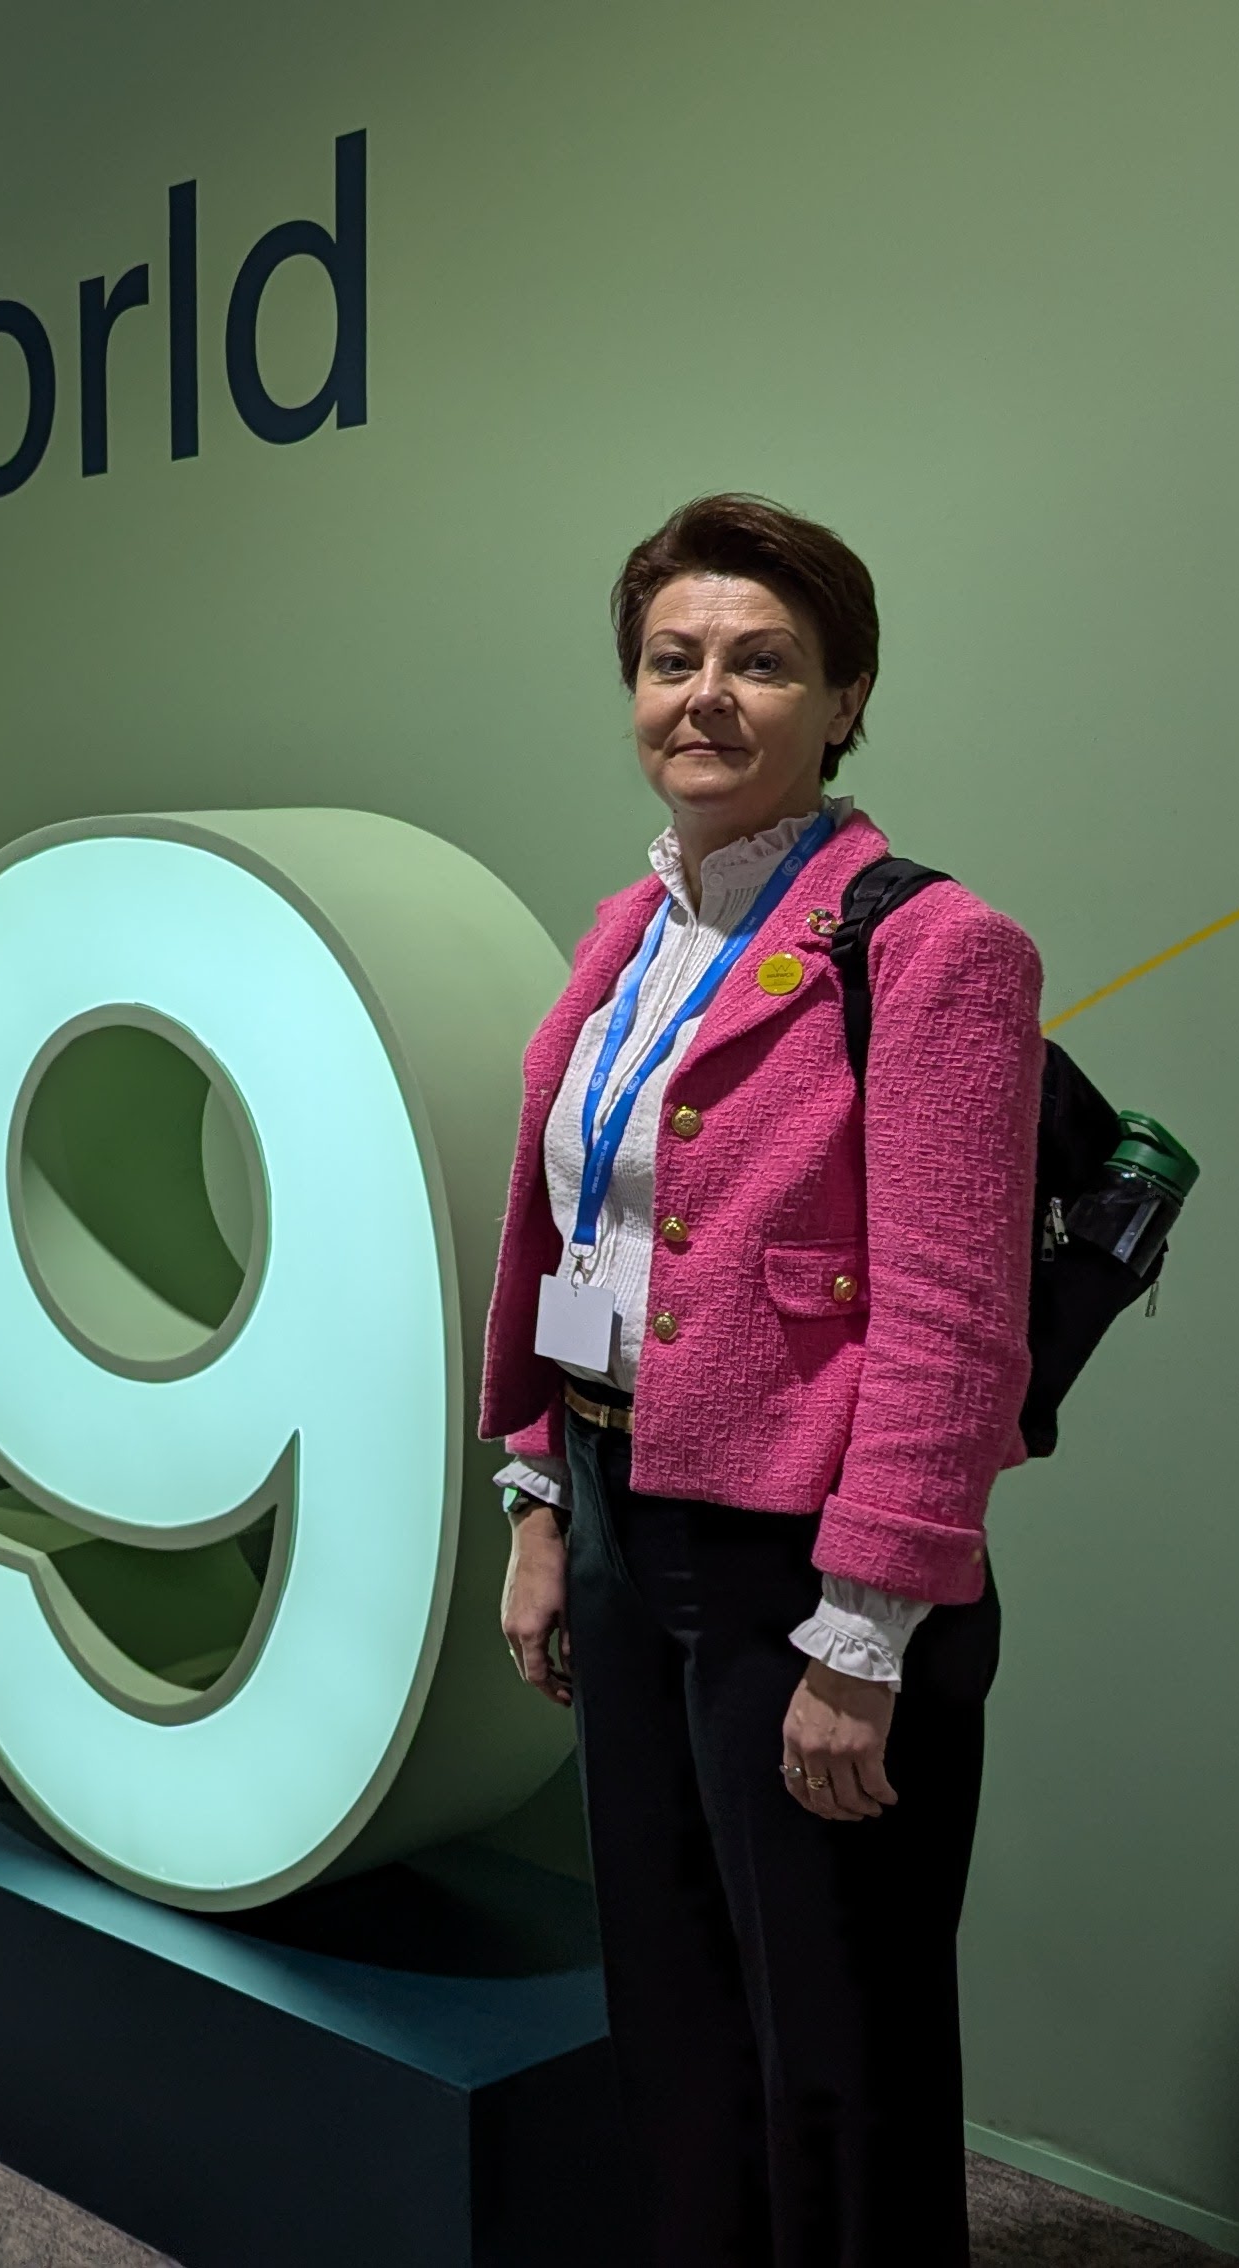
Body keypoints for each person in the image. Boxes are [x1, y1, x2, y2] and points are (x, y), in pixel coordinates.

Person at [476, 494, 1041, 2265]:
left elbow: (950, 1326)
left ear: (843, 695)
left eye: (759, 660)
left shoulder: (935, 947)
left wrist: (860, 1634)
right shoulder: (625, 935)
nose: (705, 696)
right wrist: (540, 1500)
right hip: (631, 1516)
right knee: (673, 2006)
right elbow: (571, 1241)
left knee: (837, 2051)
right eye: (671, 659)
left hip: (809, 1567)